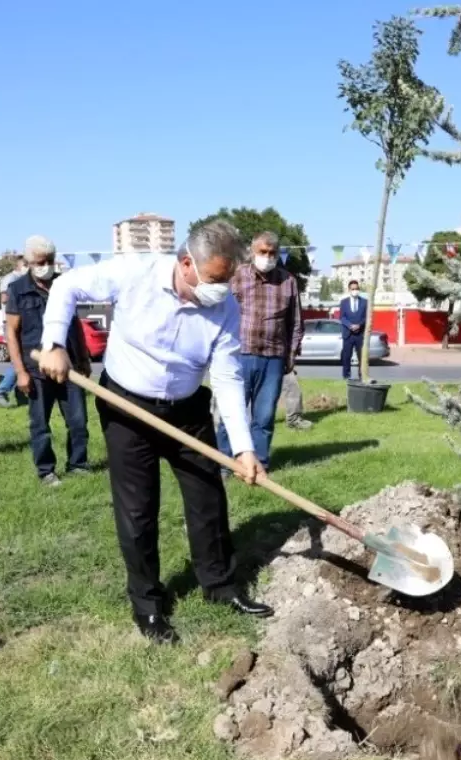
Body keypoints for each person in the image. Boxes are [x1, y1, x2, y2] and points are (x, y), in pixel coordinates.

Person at [37, 220, 272, 645]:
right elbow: (67, 285)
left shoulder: (224, 308)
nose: (221, 289)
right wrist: (54, 343)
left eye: (227, 280)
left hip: (186, 409)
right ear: (186, 263)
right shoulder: (135, 273)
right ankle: (147, 605)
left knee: (207, 497)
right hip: (128, 406)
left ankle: (218, 586)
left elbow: (228, 378)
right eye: (216, 279)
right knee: (138, 510)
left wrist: (243, 449)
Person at [5, 236, 91, 487]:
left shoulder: (64, 285)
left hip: (70, 366)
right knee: (40, 425)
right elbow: (11, 332)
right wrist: (20, 372)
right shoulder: (18, 289)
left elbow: (75, 324)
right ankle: (46, 471)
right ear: (30, 262)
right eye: (41, 261)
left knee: (78, 422)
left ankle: (78, 464)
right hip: (36, 371)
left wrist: (84, 358)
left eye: (50, 260)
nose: (47, 265)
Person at [215, 231, 302, 471]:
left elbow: (295, 323)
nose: (268, 257)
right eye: (263, 252)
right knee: (231, 414)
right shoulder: (237, 276)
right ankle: (225, 464)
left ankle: (259, 464)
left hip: (273, 358)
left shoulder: (288, 281)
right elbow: (220, 313)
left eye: (272, 253)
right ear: (253, 252)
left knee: (264, 418)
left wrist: (290, 356)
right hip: (239, 355)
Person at [0, 257, 28, 408]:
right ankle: (1, 392)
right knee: (18, 360)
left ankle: (20, 393)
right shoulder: (10, 279)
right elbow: (4, 299)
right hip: (12, 323)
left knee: (24, 360)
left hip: (23, 323)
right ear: (22, 265)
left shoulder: (24, 280)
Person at [339, 280, 367, 380]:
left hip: (360, 334)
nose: (355, 290)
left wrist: (359, 325)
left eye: (357, 289)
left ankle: (362, 376)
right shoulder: (344, 302)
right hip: (348, 334)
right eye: (353, 289)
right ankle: (346, 376)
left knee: (362, 357)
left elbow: (366, 317)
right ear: (349, 290)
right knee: (346, 357)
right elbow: (342, 317)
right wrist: (350, 325)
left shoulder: (364, 302)